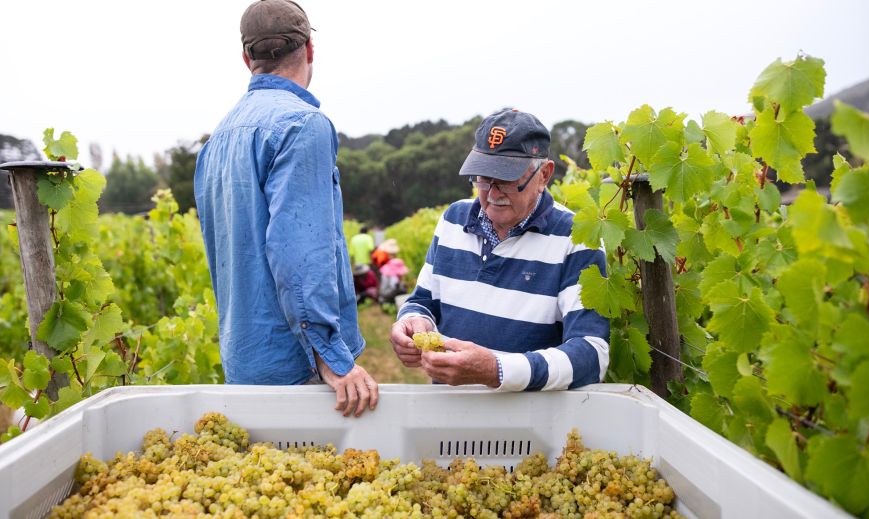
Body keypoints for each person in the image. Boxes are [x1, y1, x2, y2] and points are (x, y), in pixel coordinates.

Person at [194, 0, 377, 417]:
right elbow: (298, 252)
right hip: (298, 366)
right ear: (310, 49)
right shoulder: (302, 125)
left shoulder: (216, 141)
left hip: (244, 358)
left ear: (246, 58)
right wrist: (330, 357)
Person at [389, 109, 610, 391]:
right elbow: (424, 301)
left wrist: (497, 371)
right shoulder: (453, 220)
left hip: (527, 427)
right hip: (446, 415)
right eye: (483, 178)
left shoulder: (576, 239)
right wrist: (412, 321)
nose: (492, 193)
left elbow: (591, 355)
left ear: (544, 175)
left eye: (506, 179)